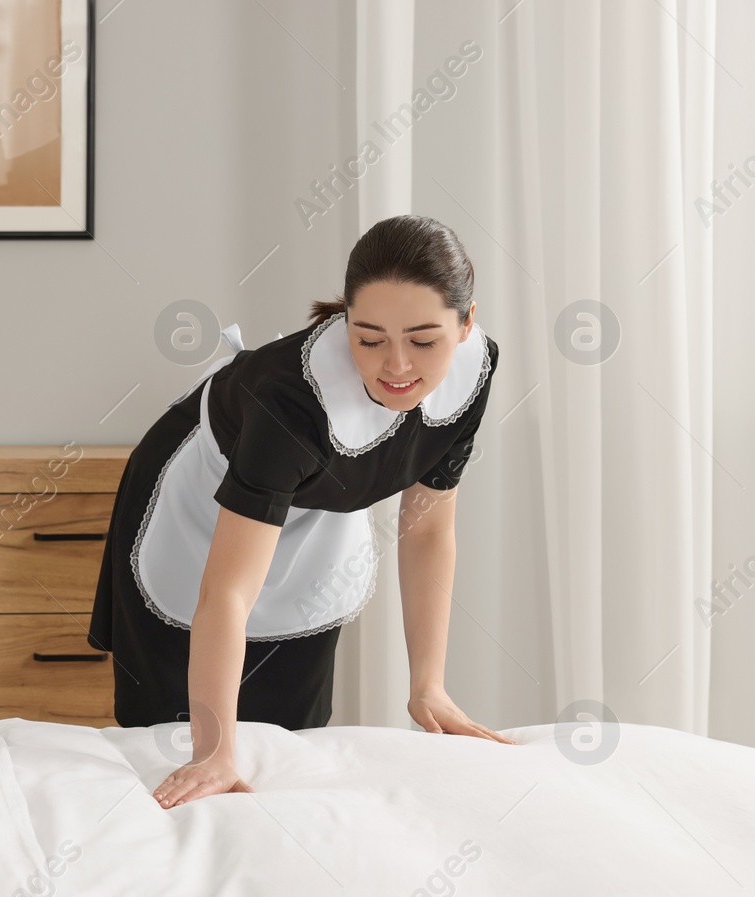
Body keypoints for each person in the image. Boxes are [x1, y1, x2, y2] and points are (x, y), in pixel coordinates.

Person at [87, 215, 517, 810]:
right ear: (345, 321)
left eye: (423, 340)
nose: (396, 366)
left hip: (315, 508)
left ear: (466, 323)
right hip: (193, 517)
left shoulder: (474, 372)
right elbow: (225, 593)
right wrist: (213, 753)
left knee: (290, 745)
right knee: (176, 745)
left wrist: (429, 686)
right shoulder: (289, 401)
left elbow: (427, 530)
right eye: (368, 339)